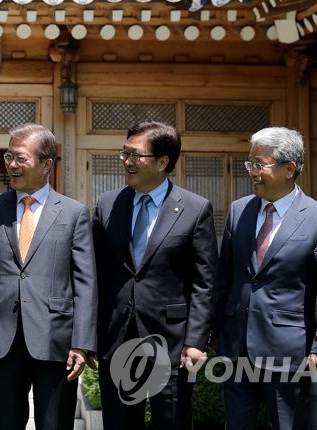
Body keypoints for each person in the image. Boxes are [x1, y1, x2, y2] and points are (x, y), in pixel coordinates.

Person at [0, 123, 97, 430]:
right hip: (1, 339)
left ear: (47, 164)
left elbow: (85, 283)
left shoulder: (73, 213)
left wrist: (82, 343)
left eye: (21, 158)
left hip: (56, 341)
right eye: (8, 156)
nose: (12, 164)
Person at [92, 121, 217, 430]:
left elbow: (204, 283)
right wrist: (88, 337)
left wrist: (196, 341)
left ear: (162, 162)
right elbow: (93, 274)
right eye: (125, 153)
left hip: (171, 342)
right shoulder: (108, 205)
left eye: (136, 155)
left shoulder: (195, 209)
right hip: (117, 337)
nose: (127, 161)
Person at [216, 127, 317, 430]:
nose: (252, 172)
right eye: (250, 164)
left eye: (259, 164)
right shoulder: (238, 210)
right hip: (236, 346)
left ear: (289, 169)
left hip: (287, 349)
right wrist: (215, 332)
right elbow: (224, 278)